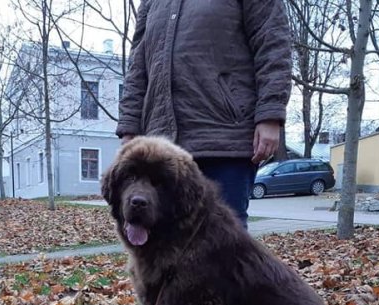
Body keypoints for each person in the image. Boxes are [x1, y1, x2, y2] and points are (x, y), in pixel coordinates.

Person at [117, 0, 292, 227]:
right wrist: (130, 128)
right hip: (161, 147)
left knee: (222, 239)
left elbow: (273, 44)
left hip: (224, 138)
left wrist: (270, 114)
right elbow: (137, 68)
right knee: (161, 245)